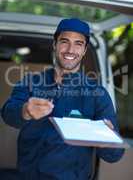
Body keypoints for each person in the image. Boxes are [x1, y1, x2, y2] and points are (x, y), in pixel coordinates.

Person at [1, 18, 124, 180]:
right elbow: (8, 114)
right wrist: (25, 111)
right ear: (55, 44)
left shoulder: (97, 94)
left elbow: (114, 155)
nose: (70, 50)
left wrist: (106, 140)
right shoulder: (30, 82)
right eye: (64, 42)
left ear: (85, 49)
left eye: (78, 44)